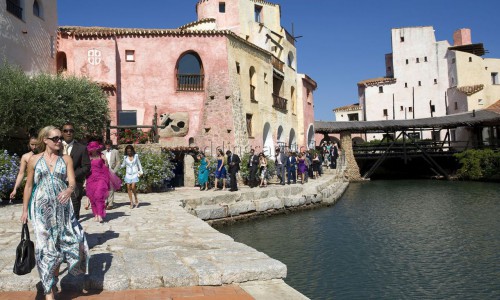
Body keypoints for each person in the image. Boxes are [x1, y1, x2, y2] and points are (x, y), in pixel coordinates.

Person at [20, 126, 89, 300]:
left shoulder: (66, 159)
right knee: (45, 248)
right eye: (56, 138)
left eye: (60, 138)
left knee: (61, 246)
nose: (60, 140)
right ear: (45, 140)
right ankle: (49, 291)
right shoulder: (34, 160)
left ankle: (52, 279)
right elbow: (28, 186)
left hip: (62, 208)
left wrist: (68, 190)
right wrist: (24, 211)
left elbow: (72, 182)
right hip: (41, 208)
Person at [85, 141, 121, 223]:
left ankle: (100, 214)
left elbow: (106, 167)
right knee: (92, 197)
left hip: (101, 177)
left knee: (99, 195)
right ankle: (96, 214)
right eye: (92, 149)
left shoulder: (101, 155)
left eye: (95, 148)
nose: (93, 150)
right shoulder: (88, 157)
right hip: (91, 178)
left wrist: (106, 161)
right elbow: (85, 168)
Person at [61, 122, 90, 220]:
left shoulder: (81, 148)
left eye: (71, 131)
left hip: (75, 185)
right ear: (62, 132)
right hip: (58, 184)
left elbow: (86, 166)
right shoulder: (56, 147)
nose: (68, 133)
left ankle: (75, 234)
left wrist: (72, 175)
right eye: (66, 131)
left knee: (74, 214)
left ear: (74, 133)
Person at [9, 135, 38, 204]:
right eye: (32, 144)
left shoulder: (45, 155)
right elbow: (21, 173)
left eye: (36, 144)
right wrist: (15, 189)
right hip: (30, 185)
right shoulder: (25, 157)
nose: (34, 147)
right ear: (29, 144)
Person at [102, 140, 121, 209]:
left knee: (111, 188)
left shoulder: (115, 151)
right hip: (104, 172)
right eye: (106, 145)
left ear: (111, 145)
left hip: (112, 171)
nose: (107, 146)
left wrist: (114, 171)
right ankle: (105, 202)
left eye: (109, 145)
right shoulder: (102, 152)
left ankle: (110, 204)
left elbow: (118, 162)